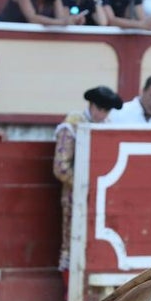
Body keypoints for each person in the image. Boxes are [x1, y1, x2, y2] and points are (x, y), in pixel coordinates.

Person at [53, 85, 122, 287]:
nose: (102, 114)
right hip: (75, 198)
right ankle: (70, 293)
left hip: (102, 200)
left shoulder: (108, 126)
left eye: (106, 110)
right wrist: (86, 185)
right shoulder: (71, 126)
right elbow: (60, 167)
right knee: (71, 244)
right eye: (99, 109)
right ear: (91, 105)